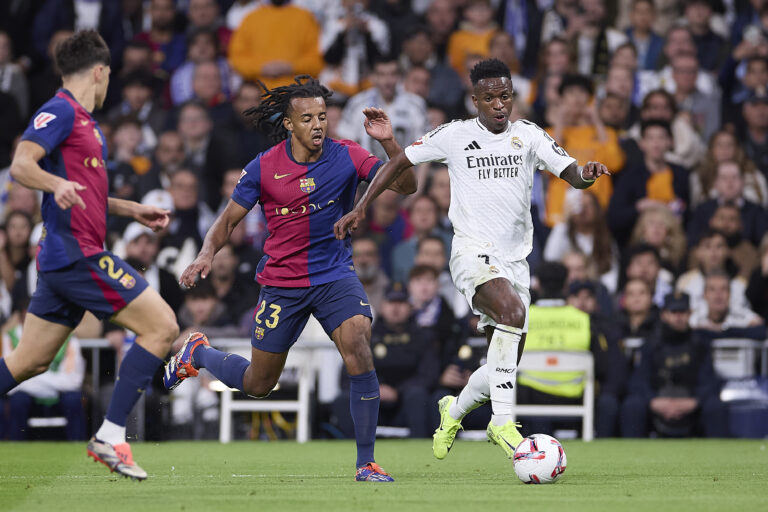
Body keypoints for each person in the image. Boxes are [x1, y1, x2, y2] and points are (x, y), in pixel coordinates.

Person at [333, 58, 610, 459]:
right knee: (511, 317)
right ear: (475, 99)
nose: (500, 105)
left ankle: (453, 410)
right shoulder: (454, 135)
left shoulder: (529, 135)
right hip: (472, 253)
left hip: (516, 262)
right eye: (491, 97)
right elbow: (400, 164)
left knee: (504, 362)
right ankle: (503, 423)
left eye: (506, 96)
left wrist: (589, 173)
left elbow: (573, 176)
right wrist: (361, 206)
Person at [167, 76, 417, 482]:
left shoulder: (349, 155)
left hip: (334, 275)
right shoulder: (263, 166)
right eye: (307, 118)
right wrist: (205, 253)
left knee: (358, 345)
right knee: (258, 383)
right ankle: (198, 354)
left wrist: (388, 142)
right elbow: (228, 220)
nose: (318, 125)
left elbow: (407, 184)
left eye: (322, 116)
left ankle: (366, 463)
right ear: (288, 124)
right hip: (282, 284)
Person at [0, 31, 179, 480]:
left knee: (29, 362)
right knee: (163, 327)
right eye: (108, 77)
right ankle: (111, 435)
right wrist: (55, 184)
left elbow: (87, 195)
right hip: (79, 256)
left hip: (63, 262)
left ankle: (110, 435)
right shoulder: (60, 110)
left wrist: (131, 209)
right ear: (99, 72)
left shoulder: (84, 121)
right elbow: (21, 164)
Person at [620, 292, 730, 438]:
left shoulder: (700, 344)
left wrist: (694, 401)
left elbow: (709, 380)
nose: (679, 317)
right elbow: (639, 380)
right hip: (658, 401)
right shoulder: (651, 344)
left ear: (689, 313)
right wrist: (653, 401)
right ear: (664, 314)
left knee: (715, 406)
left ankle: (718, 456)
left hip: (691, 402)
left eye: (683, 312)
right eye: (674, 312)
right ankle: (631, 454)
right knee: (632, 405)